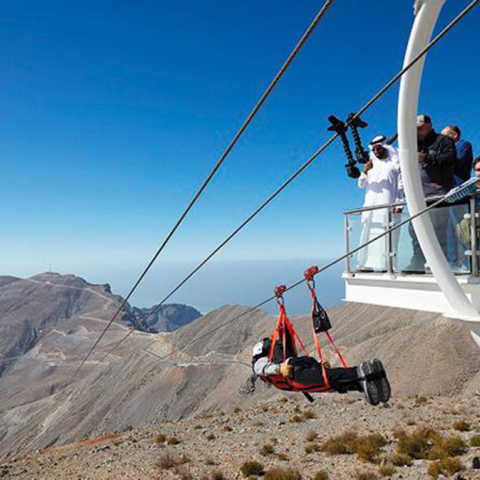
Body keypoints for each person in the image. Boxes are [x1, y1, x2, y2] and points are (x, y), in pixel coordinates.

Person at [252, 336, 391, 406]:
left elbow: (262, 369)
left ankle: (359, 372)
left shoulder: (259, 362)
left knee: (328, 378)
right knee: (332, 383)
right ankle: (368, 380)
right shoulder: (274, 357)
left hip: (295, 374)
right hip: (299, 368)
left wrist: (278, 369)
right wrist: (318, 365)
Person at [404, 115, 457, 273]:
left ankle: (442, 266)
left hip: (438, 194)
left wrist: (427, 157)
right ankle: (418, 263)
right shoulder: (415, 143)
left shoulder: (443, 140)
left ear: (429, 125)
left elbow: (450, 159)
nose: (418, 131)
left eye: (420, 128)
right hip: (419, 196)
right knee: (414, 231)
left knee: (438, 231)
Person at [356, 135, 403, 272]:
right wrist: (364, 171)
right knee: (367, 235)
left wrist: (399, 203)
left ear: (385, 148)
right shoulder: (371, 165)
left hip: (388, 206)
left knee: (389, 236)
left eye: (378, 149)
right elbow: (360, 184)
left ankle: (388, 266)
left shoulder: (395, 164)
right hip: (370, 206)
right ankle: (364, 264)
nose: (376, 152)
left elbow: (400, 186)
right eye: (374, 149)